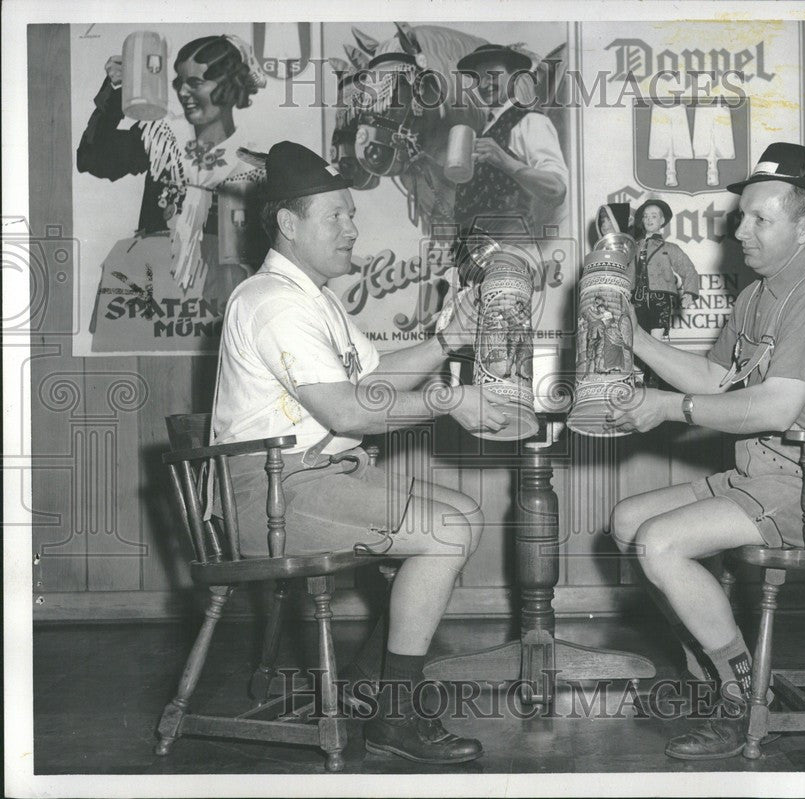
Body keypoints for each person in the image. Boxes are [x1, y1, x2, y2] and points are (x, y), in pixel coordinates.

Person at [212, 141, 510, 765]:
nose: (352, 228)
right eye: (337, 217)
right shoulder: (271, 302)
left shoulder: (313, 298)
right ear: (289, 225)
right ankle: (395, 718)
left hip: (308, 481)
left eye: (352, 214)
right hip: (270, 495)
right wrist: (450, 400)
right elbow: (348, 411)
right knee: (449, 529)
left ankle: (375, 690)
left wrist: (445, 340)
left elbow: (372, 382)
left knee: (462, 516)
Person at [608, 142, 805, 760]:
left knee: (661, 542)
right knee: (627, 523)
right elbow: (716, 382)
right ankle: (713, 675)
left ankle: (744, 696)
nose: (739, 229)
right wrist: (633, 338)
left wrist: (666, 407)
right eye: (741, 216)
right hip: (759, 481)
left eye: (758, 219)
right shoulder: (756, 294)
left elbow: (774, 408)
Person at [78, 34, 268, 306]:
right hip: (157, 303)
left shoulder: (255, 161)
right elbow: (91, 159)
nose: (182, 92)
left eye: (195, 83)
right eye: (180, 82)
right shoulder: (162, 138)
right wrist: (115, 88)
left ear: (229, 87)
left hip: (223, 309)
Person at [452, 43, 569, 239]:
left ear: (514, 76)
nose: (483, 84)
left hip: (510, 246)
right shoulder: (484, 130)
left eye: (492, 75)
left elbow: (556, 189)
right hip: (472, 249)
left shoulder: (531, 121)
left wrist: (504, 161)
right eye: (478, 78)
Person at [631, 198, 700, 341]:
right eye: (646, 216)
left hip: (660, 300)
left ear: (662, 221)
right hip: (637, 299)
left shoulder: (669, 248)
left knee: (655, 343)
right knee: (638, 341)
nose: (649, 219)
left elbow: (688, 269)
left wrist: (689, 292)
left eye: (654, 216)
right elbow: (628, 273)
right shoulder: (634, 247)